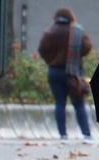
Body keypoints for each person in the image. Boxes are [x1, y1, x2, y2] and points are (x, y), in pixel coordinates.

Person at [37, 7, 93, 141]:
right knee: (79, 103)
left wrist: (50, 60)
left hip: (55, 71)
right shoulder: (77, 31)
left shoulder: (49, 32)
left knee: (59, 103)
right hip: (73, 72)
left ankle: (63, 135)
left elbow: (41, 50)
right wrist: (76, 56)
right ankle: (86, 134)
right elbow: (87, 47)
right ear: (71, 18)